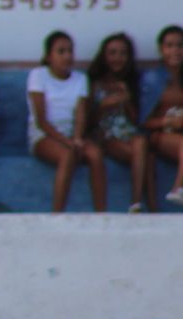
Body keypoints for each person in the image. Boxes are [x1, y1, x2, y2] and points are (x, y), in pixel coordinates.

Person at [27, 30, 105, 213]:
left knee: (95, 154)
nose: (67, 56)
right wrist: (67, 142)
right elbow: (41, 121)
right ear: (48, 56)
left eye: (70, 51)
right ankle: (58, 214)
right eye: (61, 51)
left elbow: (80, 114)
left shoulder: (80, 79)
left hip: (71, 135)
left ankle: (102, 213)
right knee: (67, 155)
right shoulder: (38, 75)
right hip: (43, 135)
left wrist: (77, 138)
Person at [87, 32, 151, 213]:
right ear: (104, 56)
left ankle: (136, 202)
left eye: (122, 53)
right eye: (112, 53)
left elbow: (137, 120)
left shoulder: (134, 81)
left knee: (141, 142)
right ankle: (148, 206)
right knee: (146, 158)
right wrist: (102, 106)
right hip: (105, 137)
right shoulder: (94, 82)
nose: (117, 58)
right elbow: (88, 121)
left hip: (129, 135)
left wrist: (127, 99)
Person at [142, 25, 183, 205]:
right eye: (170, 45)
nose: (175, 50)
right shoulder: (152, 78)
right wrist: (169, 121)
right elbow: (142, 120)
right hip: (159, 135)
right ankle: (178, 189)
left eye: (179, 45)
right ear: (161, 49)